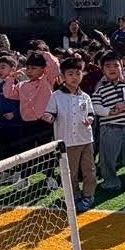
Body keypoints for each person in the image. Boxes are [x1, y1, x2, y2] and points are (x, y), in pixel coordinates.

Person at [49, 58, 97, 212]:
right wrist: (48, 117)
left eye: (78, 73)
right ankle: (74, 196)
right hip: (67, 141)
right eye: (70, 74)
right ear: (62, 77)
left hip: (85, 139)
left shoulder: (85, 96)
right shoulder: (56, 96)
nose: (75, 77)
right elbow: (51, 114)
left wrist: (90, 120)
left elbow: (91, 113)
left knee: (89, 170)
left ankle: (88, 195)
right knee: (71, 172)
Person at [90, 51, 125, 192]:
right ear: (102, 69)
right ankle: (111, 181)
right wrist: (108, 111)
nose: (112, 69)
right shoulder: (100, 89)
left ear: (121, 67)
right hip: (110, 128)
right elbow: (95, 106)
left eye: (116, 65)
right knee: (108, 157)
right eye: (108, 66)